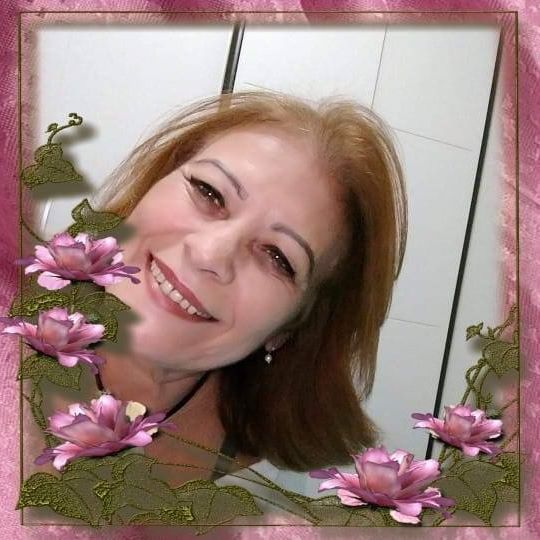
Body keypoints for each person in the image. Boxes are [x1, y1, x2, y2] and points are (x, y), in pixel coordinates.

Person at [90, 90, 407, 483]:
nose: (210, 254)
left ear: (290, 326)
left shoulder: (269, 490)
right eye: (209, 192)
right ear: (154, 183)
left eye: (278, 257)